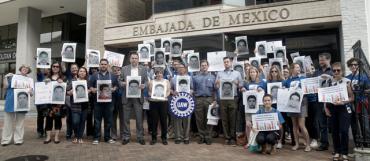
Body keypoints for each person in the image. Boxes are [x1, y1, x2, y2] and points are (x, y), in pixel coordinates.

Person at [326, 62, 354, 161]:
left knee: (344, 131)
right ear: (332, 71)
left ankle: (344, 152)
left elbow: (352, 98)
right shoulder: (329, 82)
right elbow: (325, 97)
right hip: (333, 109)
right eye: (334, 70)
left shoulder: (347, 81)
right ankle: (337, 151)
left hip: (344, 108)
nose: (336, 72)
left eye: (338, 70)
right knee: (334, 131)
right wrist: (325, 108)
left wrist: (343, 102)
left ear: (342, 71)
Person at [89, 59, 119, 145]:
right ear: (99, 65)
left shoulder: (113, 76)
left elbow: (116, 86)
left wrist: (114, 89)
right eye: (102, 64)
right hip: (97, 102)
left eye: (105, 64)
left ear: (108, 65)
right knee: (97, 120)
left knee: (108, 120)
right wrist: (92, 89)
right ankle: (96, 138)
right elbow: (90, 86)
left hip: (109, 103)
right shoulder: (94, 75)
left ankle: (107, 137)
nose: (103, 66)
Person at [1, 65, 33, 146]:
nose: (25, 69)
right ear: (20, 69)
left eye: (27, 68)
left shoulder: (30, 80)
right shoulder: (12, 77)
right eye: (23, 68)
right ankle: (5, 140)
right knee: (8, 123)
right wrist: (5, 77)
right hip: (10, 102)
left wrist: (30, 91)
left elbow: (32, 94)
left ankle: (18, 139)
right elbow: (5, 87)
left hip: (22, 104)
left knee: (20, 123)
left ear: (28, 71)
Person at [306, 52, 332, 151]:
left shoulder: (333, 71)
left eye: (322, 60)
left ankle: (338, 146)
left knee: (333, 124)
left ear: (328, 60)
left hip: (331, 101)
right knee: (322, 124)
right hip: (319, 100)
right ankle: (324, 144)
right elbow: (310, 84)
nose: (320, 62)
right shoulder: (316, 72)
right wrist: (308, 75)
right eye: (320, 60)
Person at [121, 52, 148, 145]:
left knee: (139, 118)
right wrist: (122, 83)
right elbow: (119, 80)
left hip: (138, 97)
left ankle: (140, 137)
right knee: (126, 118)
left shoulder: (143, 69)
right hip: (127, 97)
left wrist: (144, 85)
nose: (134, 60)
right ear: (130, 59)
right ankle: (126, 136)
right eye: (132, 58)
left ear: (138, 59)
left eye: (136, 58)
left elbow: (147, 81)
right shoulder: (124, 69)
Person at [216, 57, 244, 145]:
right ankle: (226, 137)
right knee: (224, 118)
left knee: (233, 118)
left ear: (231, 62)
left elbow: (241, 85)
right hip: (223, 99)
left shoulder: (237, 73)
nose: (226, 63)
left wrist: (237, 84)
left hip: (233, 98)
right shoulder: (219, 73)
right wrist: (217, 84)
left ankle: (232, 137)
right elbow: (216, 87)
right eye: (225, 62)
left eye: (228, 62)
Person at [284, 63, 311, 152]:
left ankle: (308, 144)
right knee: (294, 125)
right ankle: (297, 144)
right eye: (297, 67)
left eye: (299, 67)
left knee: (301, 125)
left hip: (302, 103)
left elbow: (308, 89)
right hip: (291, 104)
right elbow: (285, 91)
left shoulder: (303, 78)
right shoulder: (288, 80)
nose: (299, 69)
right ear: (292, 69)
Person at [345, 57, 370, 144]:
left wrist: (362, 90)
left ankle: (367, 143)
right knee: (354, 124)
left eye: (355, 64)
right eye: (351, 65)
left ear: (358, 66)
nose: (353, 66)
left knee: (365, 124)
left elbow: (369, 89)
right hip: (351, 103)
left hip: (361, 102)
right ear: (349, 66)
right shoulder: (347, 78)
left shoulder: (364, 77)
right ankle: (357, 143)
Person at [266, 65, 290, 148]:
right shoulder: (268, 82)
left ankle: (280, 141)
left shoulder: (283, 81)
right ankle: (273, 140)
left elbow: (288, 92)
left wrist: (284, 89)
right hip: (271, 105)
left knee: (280, 123)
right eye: (272, 71)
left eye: (275, 71)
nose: (274, 73)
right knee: (272, 122)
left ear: (278, 72)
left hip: (281, 105)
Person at [192, 60, 216, 145]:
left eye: (205, 65)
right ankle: (201, 136)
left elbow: (215, 90)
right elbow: (193, 89)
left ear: (208, 66)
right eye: (202, 65)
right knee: (199, 119)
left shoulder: (213, 77)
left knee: (209, 119)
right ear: (200, 67)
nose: (204, 67)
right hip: (199, 99)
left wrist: (215, 100)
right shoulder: (195, 77)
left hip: (209, 99)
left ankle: (208, 136)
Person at [170, 62, 193, 144]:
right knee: (177, 119)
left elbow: (193, 88)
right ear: (177, 69)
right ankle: (178, 137)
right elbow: (170, 89)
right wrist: (173, 92)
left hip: (187, 101)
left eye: (182, 67)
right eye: (179, 67)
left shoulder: (189, 78)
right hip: (177, 101)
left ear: (185, 68)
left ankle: (186, 137)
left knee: (187, 119)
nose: (180, 69)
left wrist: (191, 91)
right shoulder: (174, 78)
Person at [66, 67, 90, 144]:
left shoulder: (88, 82)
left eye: (84, 71)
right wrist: (71, 91)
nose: (82, 72)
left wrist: (89, 91)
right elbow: (67, 90)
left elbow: (91, 91)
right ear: (78, 72)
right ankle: (76, 135)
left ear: (86, 73)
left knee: (82, 121)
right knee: (75, 121)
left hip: (85, 105)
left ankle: (79, 137)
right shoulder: (73, 81)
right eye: (81, 71)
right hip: (75, 105)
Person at [148, 68, 171, 145]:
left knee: (163, 120)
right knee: (154, 120)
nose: (159, 74)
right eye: (157, 73)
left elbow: (168, 91)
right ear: (155, 74)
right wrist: (152, 95)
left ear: (163, 74)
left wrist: (164, 96)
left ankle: (164, 138)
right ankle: (154, 138)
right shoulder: (151, 82)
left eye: (160, 73)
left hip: (163, 102)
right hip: (154, 103)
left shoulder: (166, 81)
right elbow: (149, 91)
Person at [44, 61, 65, 144]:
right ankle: (48, 137)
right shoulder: (47, 77)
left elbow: (65, 88)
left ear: (59, 68)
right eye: (54, 66)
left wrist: (62, 82)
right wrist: (45, 82)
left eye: (57, 66)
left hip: (58, 103)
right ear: (51, 68)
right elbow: (43, 89)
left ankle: (56, 137)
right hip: (49, 103)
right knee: (48, 119)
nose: (55, 68)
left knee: (58, 119)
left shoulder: (63, 77)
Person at [243, 66, 266, 141]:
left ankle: (257, 141)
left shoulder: (262, 81)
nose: (252, 73)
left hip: (259, 106)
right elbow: (243, 89)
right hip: (248, 107)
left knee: (258, 124)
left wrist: (261, 88)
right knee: (248, 124)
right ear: (249, 74)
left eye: (254, 72)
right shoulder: (246, 82)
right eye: (251, 72)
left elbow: (264, 90)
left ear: (257, 73)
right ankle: (249, 141)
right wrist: (242, 89)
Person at [111, 66, 124, 141]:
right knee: (113, 118)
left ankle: (122, 134)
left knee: (122, 118)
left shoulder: (123, 78)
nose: (116, 71)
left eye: (118, 70)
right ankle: (113, 134)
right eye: (114, 70)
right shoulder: (111, 78)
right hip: (113, 100)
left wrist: (119, 78)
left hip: (122, 100)